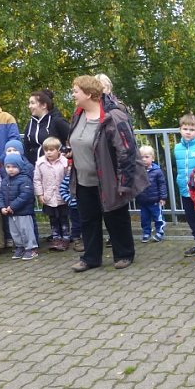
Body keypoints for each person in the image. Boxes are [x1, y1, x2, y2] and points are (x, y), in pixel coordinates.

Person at [68, 75, 147, 272]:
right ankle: (91, 258)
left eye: (76, 91)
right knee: (88, 220)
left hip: (108, 180)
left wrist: (124, 182)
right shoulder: (78, 114)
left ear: (88, 94)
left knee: (116, 217)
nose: (73, 94)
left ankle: (124, 254)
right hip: (83, 179)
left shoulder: (113, 117)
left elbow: (126, 151)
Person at [175, 113, 195, 256]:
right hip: (184, 189)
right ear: (180, 129)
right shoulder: (176, 148)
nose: (188, 132)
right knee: (191, 218)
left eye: (192, 129)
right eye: (185, 128)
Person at [34, 137, 71, 251]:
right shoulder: (40, 163)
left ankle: (65, 237)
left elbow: (69, 177)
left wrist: (69, 193)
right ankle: (56, 237)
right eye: (46, 150)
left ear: (58, 150)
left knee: (63, 217)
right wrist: (40, 194)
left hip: (62, 196)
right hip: (48, 196)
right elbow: (37, 180)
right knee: (53, 218)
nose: (48, 152)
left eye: (51, 150)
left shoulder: (64, 162)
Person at [1, 153, 39, 261]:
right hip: (10, 212)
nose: (11, 169)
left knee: (26, 230)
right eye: (8, 167)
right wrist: (2, 207)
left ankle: (31, 248)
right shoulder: (5, 181)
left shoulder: (25, 179)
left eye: (14, 167)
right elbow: (0, 195)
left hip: (23, 212)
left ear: (20, 167)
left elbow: (25, 195)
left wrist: (13, 206)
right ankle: (20, 246)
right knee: (15, 232)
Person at [24, 90, 70, 165]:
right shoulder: (31, 123)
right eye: (29, 103)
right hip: (34, 169)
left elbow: (72, 137)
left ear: (44, 105)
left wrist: (66, 152)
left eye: (32, 103)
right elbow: (26, 147)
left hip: (54, 168)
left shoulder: (57, 121)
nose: (29, 106)